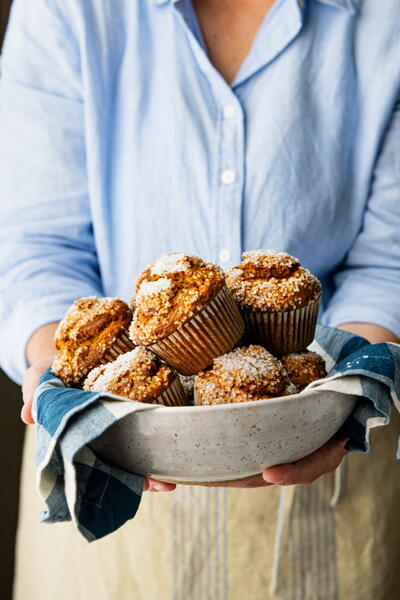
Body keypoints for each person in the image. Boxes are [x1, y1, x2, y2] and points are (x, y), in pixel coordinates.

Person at [1, 0, 399, 598]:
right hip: (107, 491)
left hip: (327, 501)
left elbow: (389, 260)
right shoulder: (65, 9)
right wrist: (59, 374)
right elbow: (34, 243)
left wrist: (336, 398)